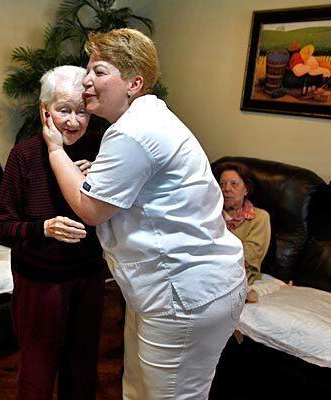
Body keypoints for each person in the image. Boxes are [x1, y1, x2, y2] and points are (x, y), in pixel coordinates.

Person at [41, 28, 246, 400]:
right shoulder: (144, 119)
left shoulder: (133, 132)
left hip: (184, 294)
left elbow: (90, 210)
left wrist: (56, 150)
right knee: (137, 389)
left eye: (99, 71)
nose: (86, 79)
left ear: (134, 83)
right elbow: (138, 191)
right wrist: (99, 177)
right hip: (173, 291)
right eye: (88, 70)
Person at [0, 65, 106, 400]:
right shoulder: (24, 156)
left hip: (89, 276)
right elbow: (1, 226)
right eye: (63, 110)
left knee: (83, 367)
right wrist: (44, 228)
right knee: (38, 371)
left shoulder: (99, 150)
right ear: (45, 111)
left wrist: (94, 181)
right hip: (39, 281)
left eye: (82, 112)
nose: (73, 121)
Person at [214, 162, 271, 303]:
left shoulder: (259, 218)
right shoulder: (211, 214)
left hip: (236, 274)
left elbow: (247, 257)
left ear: (246, 189)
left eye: (234, 184)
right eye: (222, 184)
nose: (226, 189)